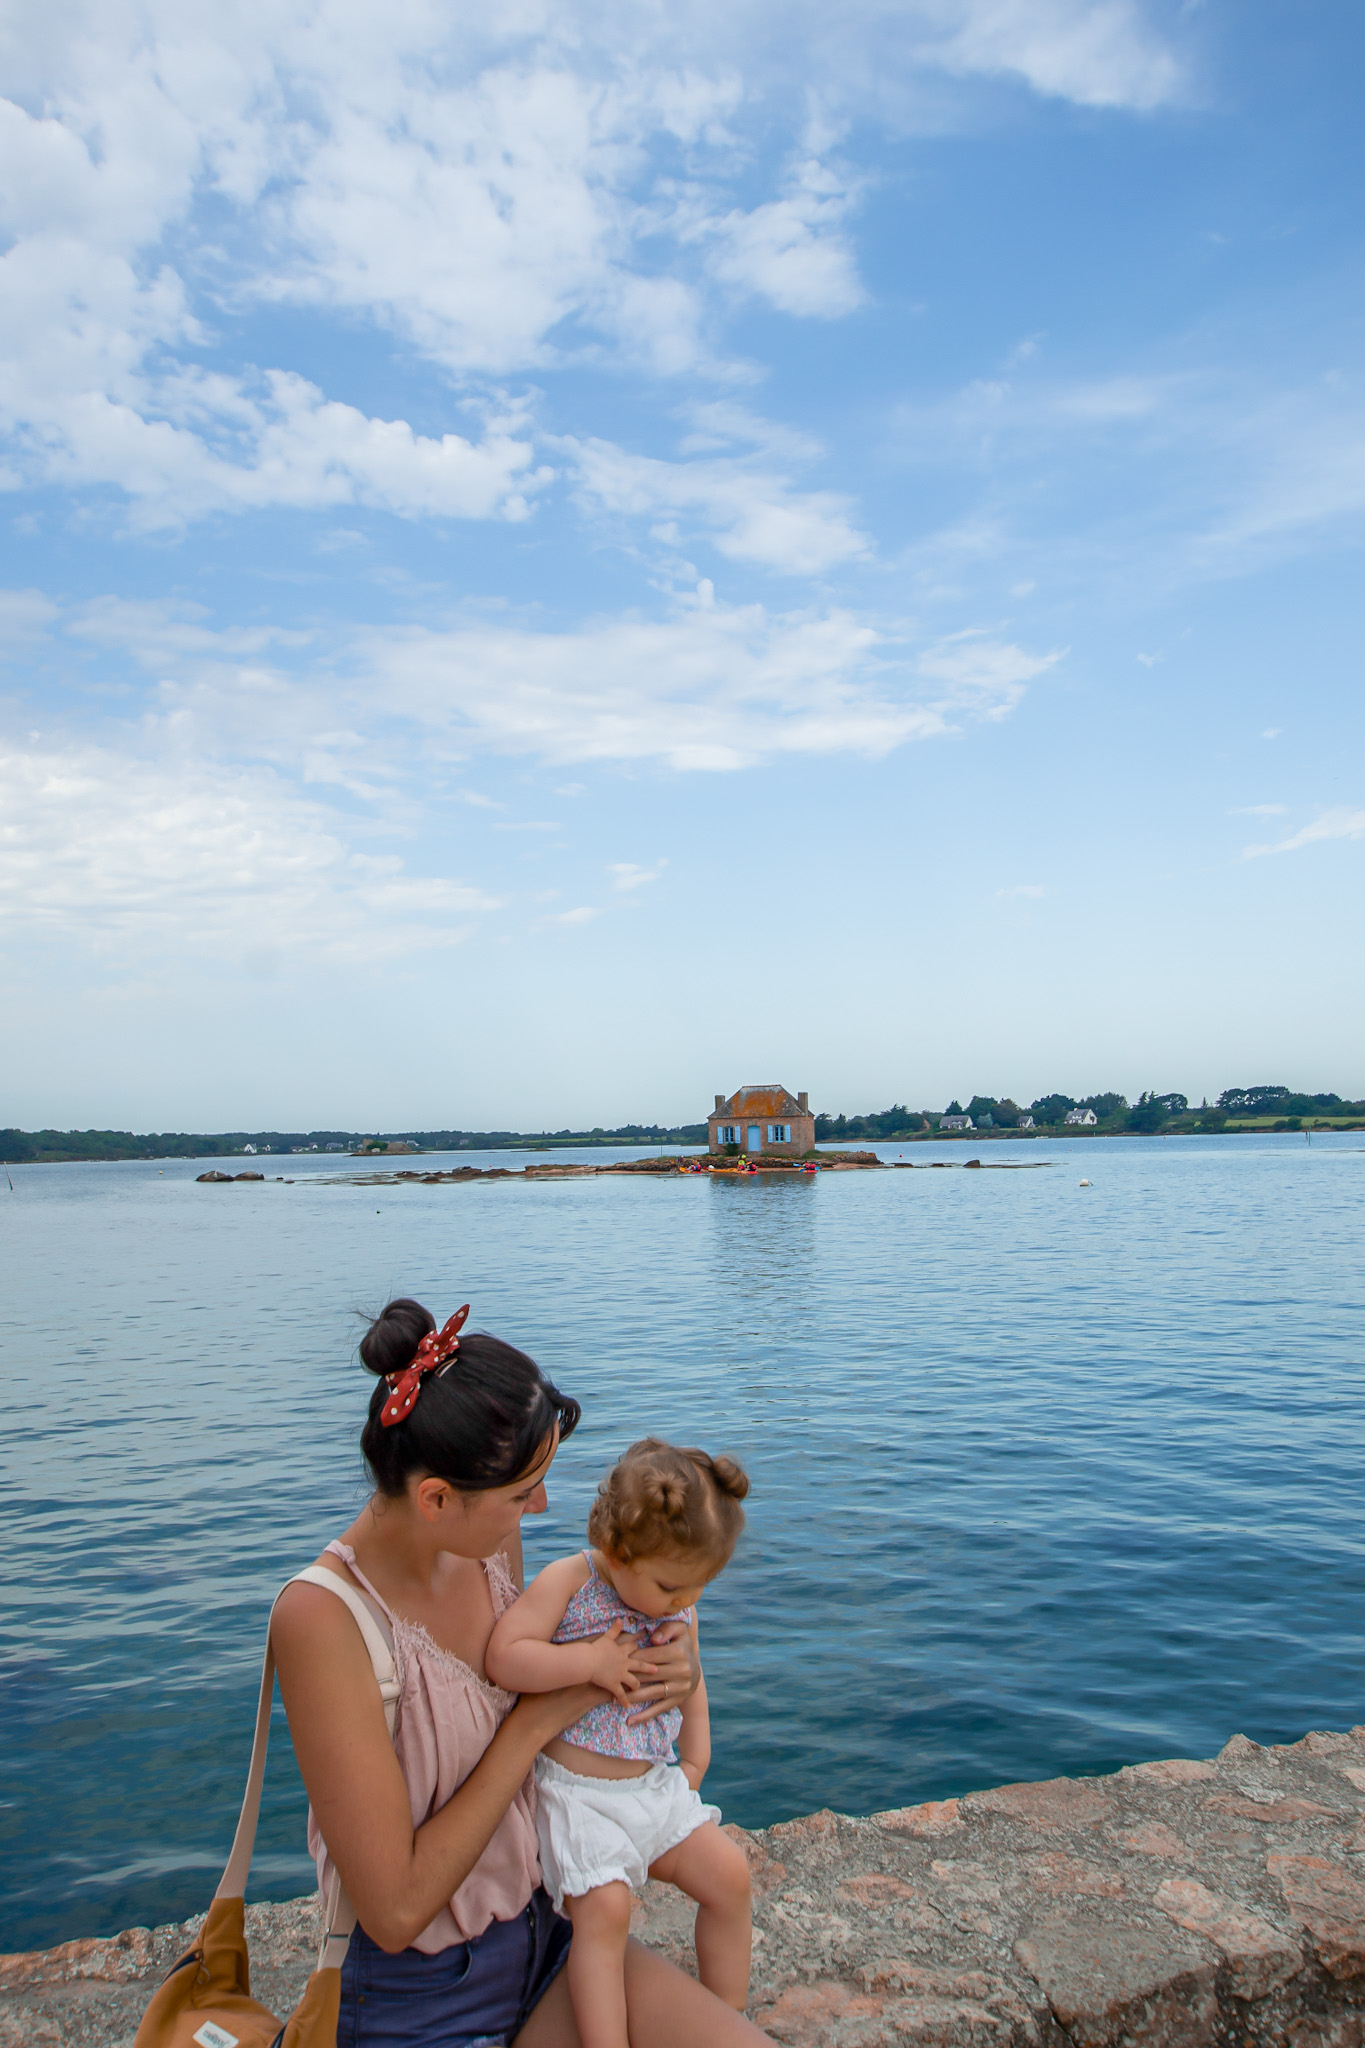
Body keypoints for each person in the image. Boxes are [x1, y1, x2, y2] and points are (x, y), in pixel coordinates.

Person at [272, 1298, 771, 2048]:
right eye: (519, 1494)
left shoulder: (483, 1551)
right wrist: (546, 1713)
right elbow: (397, 1910)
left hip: (550, 1939)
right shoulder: (323, 1620)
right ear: (435, 1498)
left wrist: (677, 1667)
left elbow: (580, 1650)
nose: (539, 1510)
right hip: (422, 2004)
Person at [485, 1441, 752, 2048]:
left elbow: (693, 1676)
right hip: (578, 1797)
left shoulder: (675, 1601)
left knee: (730, 1876)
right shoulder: (571, 1581)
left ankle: (724, 2015)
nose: (686, 1602)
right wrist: (587, 1662)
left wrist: (696, 1758)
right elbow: (505, 1657)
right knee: (604, 1914)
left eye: (699, 1588)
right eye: (671, 1586)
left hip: (650, 1786)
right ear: (616, 1551)